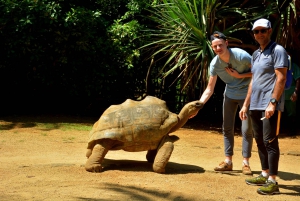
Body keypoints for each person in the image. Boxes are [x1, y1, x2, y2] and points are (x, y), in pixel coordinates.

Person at [239, 18, 288, 195]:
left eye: (262, 30)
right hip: (255, 105)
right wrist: (245, 105)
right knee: (259, 140)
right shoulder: (256, 54)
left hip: (269, 105)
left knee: (270, 141)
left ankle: (273, 182)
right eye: (256, 31)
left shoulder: (278, 50)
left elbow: (281, 78)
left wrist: (273, 102)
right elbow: (253, 81)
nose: (259, 34)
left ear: (269, 31)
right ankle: (264, 173)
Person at [198, 31, 253, 175]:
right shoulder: (215, 64)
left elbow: (259, 72)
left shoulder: (241, 55)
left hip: (247, 95)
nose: (218, 49)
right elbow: (209, 89)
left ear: (226, 43)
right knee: (227, 128)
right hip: (229, 95)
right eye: (215, 47)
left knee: (247, 129)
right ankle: (228, 161)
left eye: (220, 45)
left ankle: (245, 162)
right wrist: (198, 106)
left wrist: (240, 75)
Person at [284, 52, 300, 136]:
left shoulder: (294, 66)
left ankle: (292, 131)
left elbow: (298, 79)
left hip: (290, 93)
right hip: (280, 94)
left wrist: (295, 92)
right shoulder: (278, 65)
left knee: (292, 113)